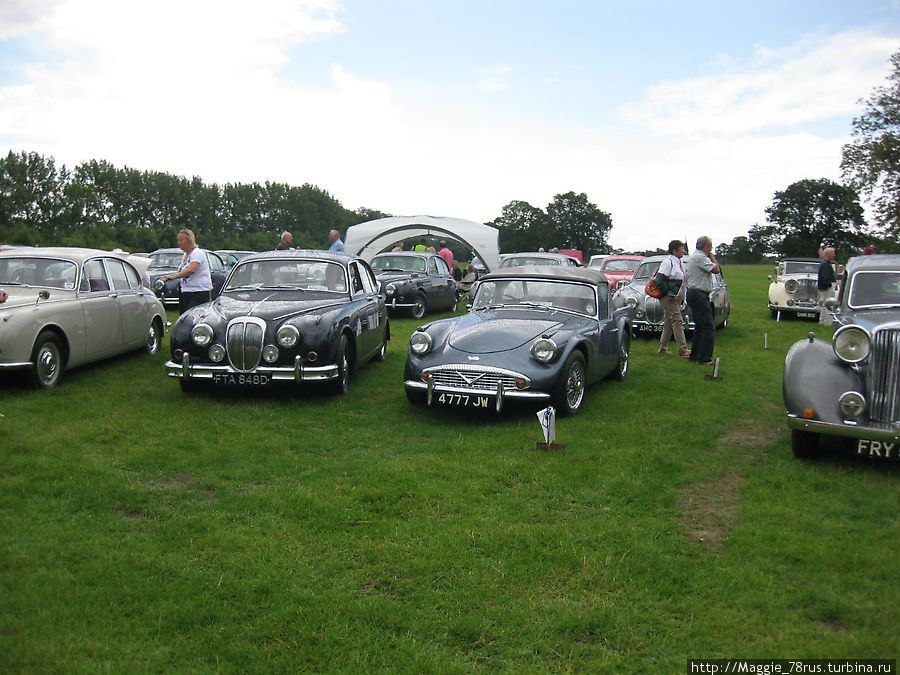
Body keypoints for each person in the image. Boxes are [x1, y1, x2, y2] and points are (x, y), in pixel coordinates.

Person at [685, 235, 720, 366]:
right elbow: (716, 269)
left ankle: (695, 355)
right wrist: (713, 258)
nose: (710, 250)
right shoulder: (700, 257)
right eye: (710, 247)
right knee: (708, 326)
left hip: (694, 294)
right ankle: (704, 358)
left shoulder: (694, 257)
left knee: (700, 326)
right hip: (699, 294)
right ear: (705, 247)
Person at [160, 228, 213, 314]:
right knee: (184, 317)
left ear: (189, 240)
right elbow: (184, 271)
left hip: (198, 292)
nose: (179, 243)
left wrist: (174, 277)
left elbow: (192, 269)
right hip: (186, 291)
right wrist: (180, 282)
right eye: (178, 240)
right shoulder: (186, 255)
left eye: (181, 240)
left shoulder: (197, 253)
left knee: (193, 316)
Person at [655, 240, 690, 357]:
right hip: (670, 297)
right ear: (674, 251)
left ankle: (663, 348)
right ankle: (682, 349)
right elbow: (659, 279)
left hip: (676, 296)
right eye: (681, 249)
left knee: (669, 322)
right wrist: (668, 292)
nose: (683, 251)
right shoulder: (668, 262)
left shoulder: (678, 262)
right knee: (677, 320)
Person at [817, 247, 837, 325]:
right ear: (828, 254)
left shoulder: (825, 263)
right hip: (826, 288)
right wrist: (829, 284)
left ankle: (823, 321)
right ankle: (827, 322)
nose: (834, 255)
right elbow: (825, 277)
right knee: (828, 304)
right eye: (833, 254)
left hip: (824, 287)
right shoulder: (825, 264)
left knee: (824, 304)